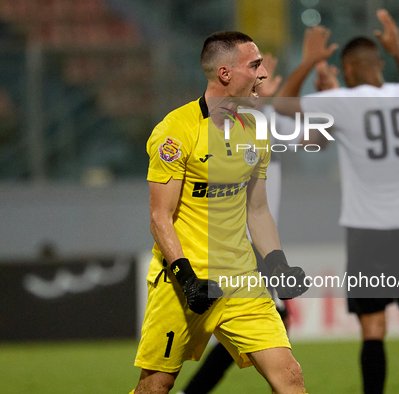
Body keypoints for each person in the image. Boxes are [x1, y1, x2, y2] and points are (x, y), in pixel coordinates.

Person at [275, 10, 399, 394]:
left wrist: (309, 62)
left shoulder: (342, 102)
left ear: (348, 69)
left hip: (367, 231)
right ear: (379, 64)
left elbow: (282, 106)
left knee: (373, 328)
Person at [132, 31, 310, 394]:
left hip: (241, 280)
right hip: (184, 283)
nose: (262, 75)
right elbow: (159, 217)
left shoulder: (257, 128)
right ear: (225, 74)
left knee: (290, 377)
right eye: (254, 65)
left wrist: (277, 263)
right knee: (156, 386)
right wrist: (186, 277)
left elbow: (257, 210)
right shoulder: (175, 131)